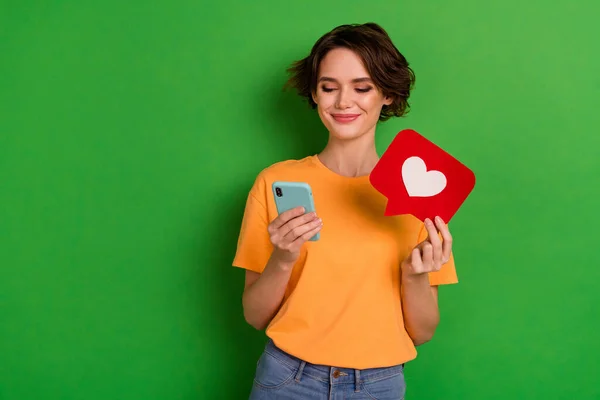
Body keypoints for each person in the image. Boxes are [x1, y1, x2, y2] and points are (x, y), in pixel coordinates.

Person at [232, 22, 458, 399]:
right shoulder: (275, 183)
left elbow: (422, 331)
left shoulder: (417, 193)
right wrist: (284, 258)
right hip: (287, 379)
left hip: (378, 384)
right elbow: (255, 315)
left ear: (387, 94)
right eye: (329, 87)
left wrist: (414, 275)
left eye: (362, 87)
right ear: (315, 94)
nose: (342, 102)